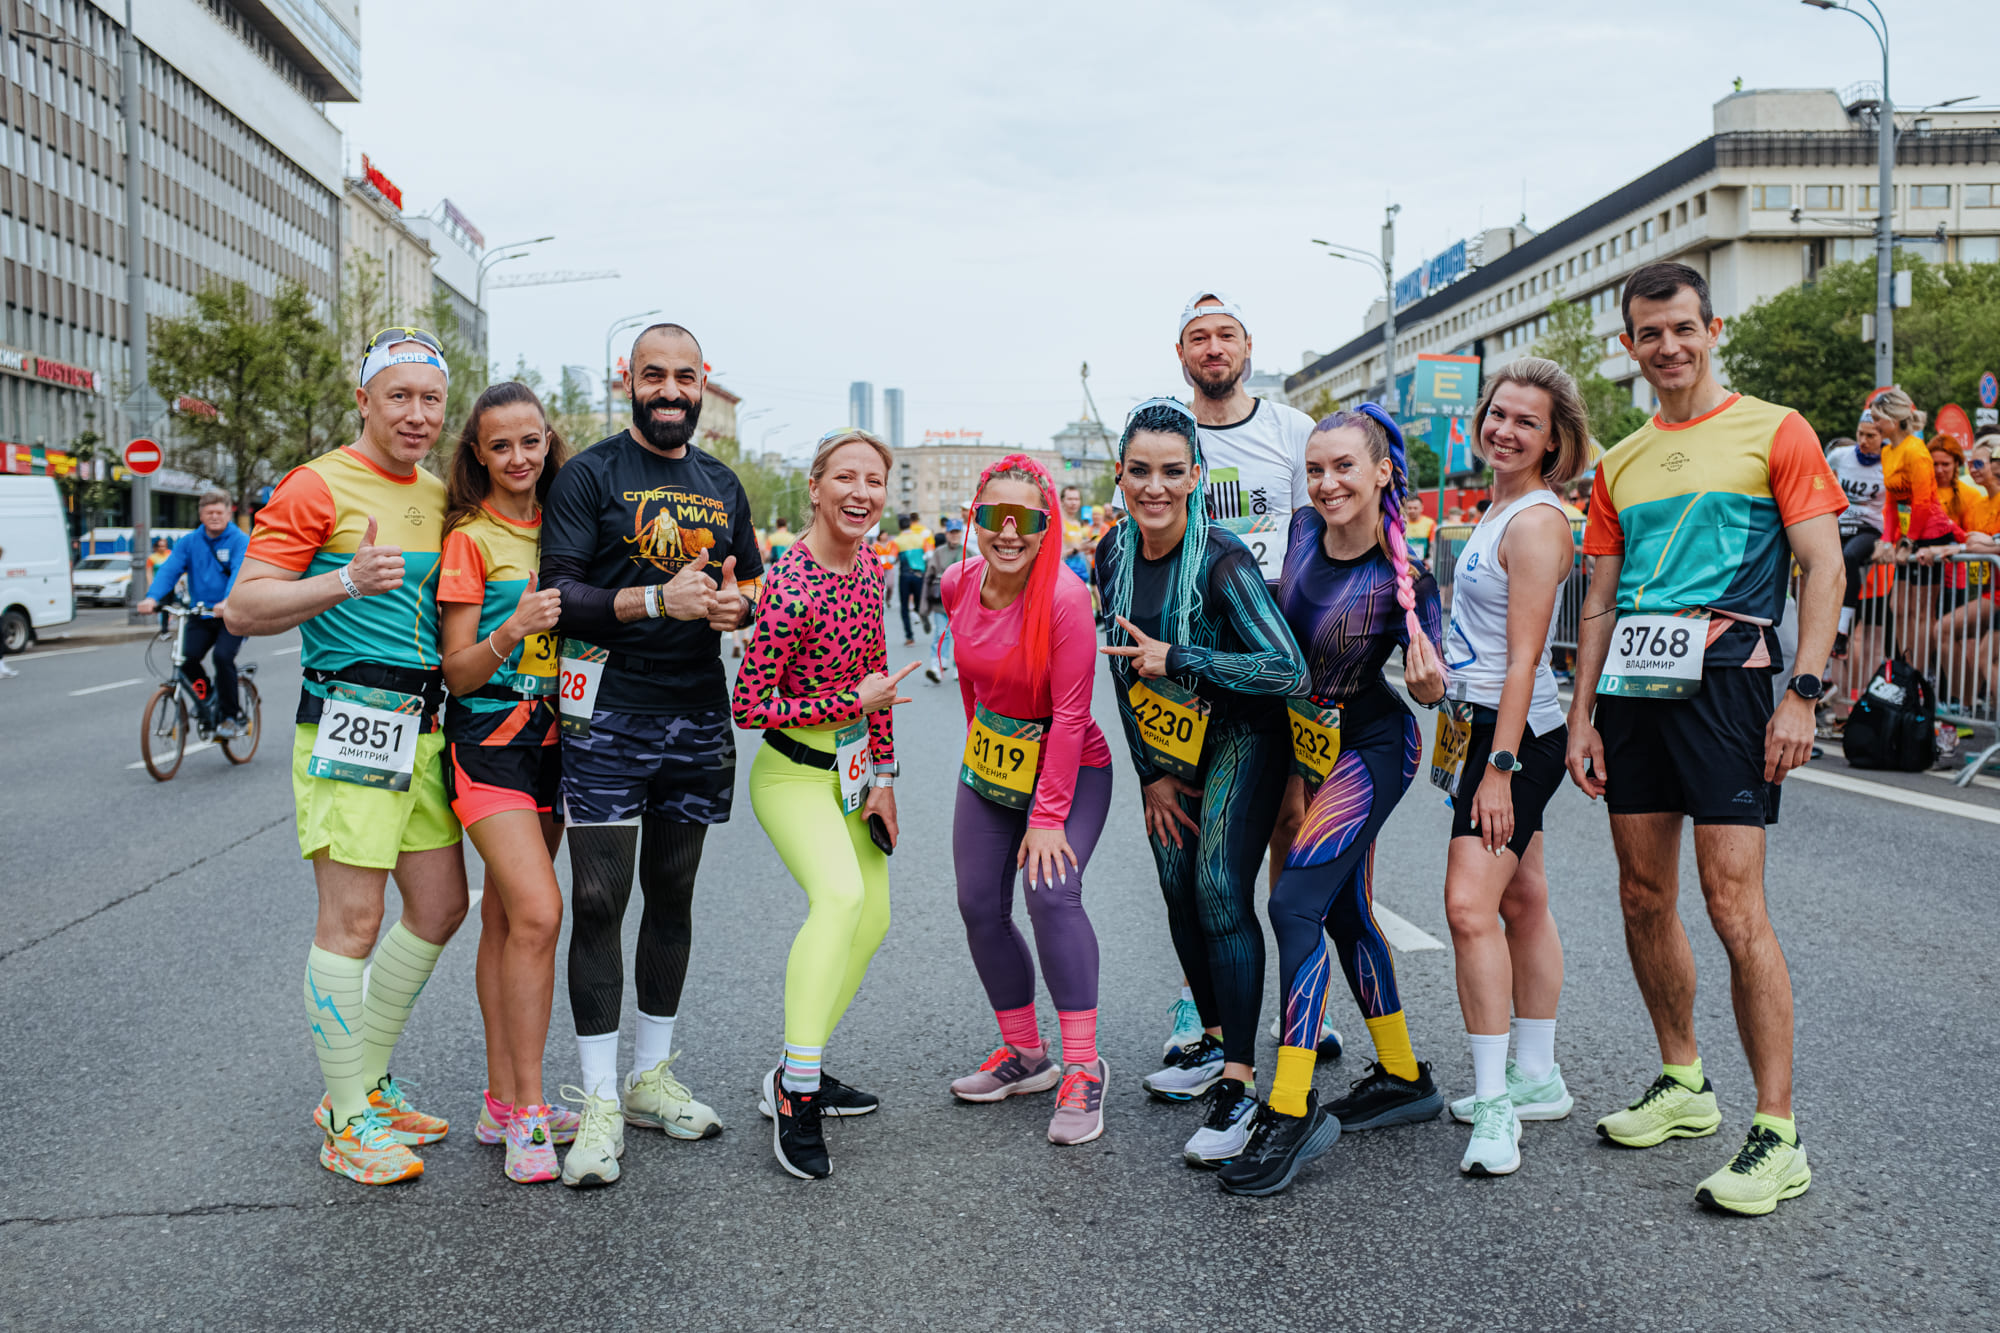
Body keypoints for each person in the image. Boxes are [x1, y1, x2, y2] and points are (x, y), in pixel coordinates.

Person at [1566, 261, 1845, 1217]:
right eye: (1650, 333)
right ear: (1629, 346)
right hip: (1632, 688)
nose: (1669, 346)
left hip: (1730, 685)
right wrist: (1582, 714)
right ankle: (1683, 1080)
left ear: (1712, 329)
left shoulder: (1775, 429)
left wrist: (1802, 692)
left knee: (1734, 906)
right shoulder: (1619, 460)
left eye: (1683, 327)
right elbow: (1598, 600)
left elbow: (1822, 567)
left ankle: (1778, 1132)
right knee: (1642, 894)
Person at [226, 327, 467, 1185]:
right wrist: (345, 580)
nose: (416, 413)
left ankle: (365, 1082)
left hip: (426, 726)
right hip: (350, 720)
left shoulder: (441, 493)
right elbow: (243, 607)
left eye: (430, 399)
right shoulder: (316, 484)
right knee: (353, 922)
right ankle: (344, 1117)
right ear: (363, 400)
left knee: (441, 906)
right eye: (398, 396)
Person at [537, 322, 763, 1186]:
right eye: (654, 375)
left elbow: (745, 580)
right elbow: (560, 593)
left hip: (696, 713)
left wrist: (736, 609)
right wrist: (657, 601)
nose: (670, 391)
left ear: (704, 382)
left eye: (684, 377)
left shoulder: (721, 482)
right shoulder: (589, 474)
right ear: (627, 380)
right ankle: (597, 1098)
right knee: (599, 898)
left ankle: (648, 1078)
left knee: (673, 891)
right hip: (606, 711)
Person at [1214, 403, 1447, 1198]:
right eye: (1315, 468)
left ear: (1382, 471)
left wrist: (1430, 682)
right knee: (1345, 913)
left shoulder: (1403, 578)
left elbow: (1433, 682)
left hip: (1372, 748)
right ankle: (1404, 1075)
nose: (1326, 482)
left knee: (1293, 905)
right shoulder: (1305, 531)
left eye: (1344, 466)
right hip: (1308, 743)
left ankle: (1290, 1105)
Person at [1094, 400, 1306, 1166]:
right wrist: (1150, 772)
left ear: (1195, 477)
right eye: (1140, 471)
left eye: (1171, 471)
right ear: (1121, 476)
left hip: (1246, 735)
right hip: (1170, 748)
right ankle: (1213, 1042)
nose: (1155, 486)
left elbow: (1287, 669)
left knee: (1217, 885)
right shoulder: (1112, 552)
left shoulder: (1222, 559)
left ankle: (1241, 1085)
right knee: (1177, 884)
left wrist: (1183, 657)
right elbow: (1123, 671)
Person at [733, 429, 911, 1179]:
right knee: (838, 900)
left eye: (874, 480)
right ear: (815, 487)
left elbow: (879, 675)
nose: (860, 492)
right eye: (845, 477)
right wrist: (850, 702)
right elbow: (748, 704)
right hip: (790, 774)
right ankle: (798, 1093)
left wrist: (884, 778)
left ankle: (792, 1068)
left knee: (874, 919)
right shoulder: (789, 583)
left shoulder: (870, 565)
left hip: (851, 773)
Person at [1436, 359, 1593, 1176]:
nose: (1505, 429)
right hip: (1481, 724)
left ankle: (1497, 1103)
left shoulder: (1535, 522)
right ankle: (1537, 1074)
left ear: (1555, 441)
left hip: (1514, 738)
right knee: (1522, 898)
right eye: (1498, 413)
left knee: (1469, 908)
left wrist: (1498, 769)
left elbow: (1526, 659)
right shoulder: (1496, 506)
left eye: (1527, 422)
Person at [1172, 289, 1329, 1057]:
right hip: (1198, 658)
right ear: (1181, 355)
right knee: (1200, 834)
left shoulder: (1291, 429)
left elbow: (1314, 536)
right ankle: (1198, 1002)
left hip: (1279, 651)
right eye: (1198, 337)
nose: (1213, 348)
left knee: (1292, 825)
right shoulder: (1166, 430)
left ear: (1247, 346)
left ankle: (1298, 1000)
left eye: (1225, 334)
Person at [943, 453, 1116, 1147]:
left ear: (1049, 526)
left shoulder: (1066, 598)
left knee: (1050, 892)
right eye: (995, 516)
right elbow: (972, 686)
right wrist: (978, 760)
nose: (1008, 532)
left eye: (1026, 519)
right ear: (975, 518)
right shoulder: (957, 582)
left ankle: (1083, 1067)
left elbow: (1071, 716)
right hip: (993, 767)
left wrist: (1046, 817)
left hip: (1071, 765)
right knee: (978, 904)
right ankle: (1026, 1054)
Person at [434, 381, 580, 1185]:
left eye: (530, 441)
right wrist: (512, 628)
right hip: (488, 748)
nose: (519, 457)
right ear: (478, 454)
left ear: (548, 441)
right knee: (539, 912)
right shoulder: (470, 538)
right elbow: (457, 672)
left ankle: (499, 1100)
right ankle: (528, 1107)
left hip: (560, 746)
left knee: (505, 918)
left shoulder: (568, 523)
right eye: (501, 446)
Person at [137, 488, 251, 736]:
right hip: (200, 614)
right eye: (209, 512)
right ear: (201, 515)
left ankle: (231, 717)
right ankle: (207, 697)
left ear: (228, 514)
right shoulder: (189, 542)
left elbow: (239, 571)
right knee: (186, 658)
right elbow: (169, 570)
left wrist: (227, 601)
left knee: (222, 657)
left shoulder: (239, 540)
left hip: (232, 615)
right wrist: (152, 598)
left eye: (219, 512)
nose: (214, 517)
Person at [1828, 413, 1887, 661]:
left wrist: (1890, 540)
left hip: (1869, 528)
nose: (1863, 441)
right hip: (1840, 525)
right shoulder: (1840, 456)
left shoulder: (1889, 461)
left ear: (1882, 436)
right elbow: (1819, 482)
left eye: (1870, 436)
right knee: (1828, 565)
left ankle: (1842, 630)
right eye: (1860, 434)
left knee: (1849, 557)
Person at [921, 517, 967, 683]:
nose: (954, 535)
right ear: (946, 534)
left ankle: (958, 667)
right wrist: (924, 608)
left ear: (961, 533)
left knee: (961, 638)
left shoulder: (969, 553)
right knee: (941, 633)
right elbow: (928, 578)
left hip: (962, 605)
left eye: (957, 532)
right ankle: (937, 667)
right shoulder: (938, 553)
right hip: (941, 603)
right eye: (951, 532)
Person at [894, 511, 932, 644]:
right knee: (919, 602)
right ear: (910, 525)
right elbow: (929, 555)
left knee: (904, 607)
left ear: (899, 527)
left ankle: (909, 637)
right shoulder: (921, 538)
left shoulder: (896, 541)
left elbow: (892, 560)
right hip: (919, 575)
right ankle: (922, 613)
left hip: (904, 576)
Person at [1060, 484, 1096, 584]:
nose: (1074, 503)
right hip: (1065, 576)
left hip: (1081, 575)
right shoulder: (1059, 523)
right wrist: (1077, 549)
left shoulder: (1076, 523)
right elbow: (1056, 554)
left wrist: (1088, 547)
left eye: (1076, 499)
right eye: (1070, 499)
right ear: (1062, 501)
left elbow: (1078, 547)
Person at [1402, 494, 1436, 561]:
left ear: (1421, 508)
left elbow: (1433, 545)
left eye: (1415, 508)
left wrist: (1429, 561)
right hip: (1405, 561)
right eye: (1409, 508)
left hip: (1423, 562)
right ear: (1405, 508)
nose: (1412, 510)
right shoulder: (1401, 523)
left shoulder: (1430, 523)